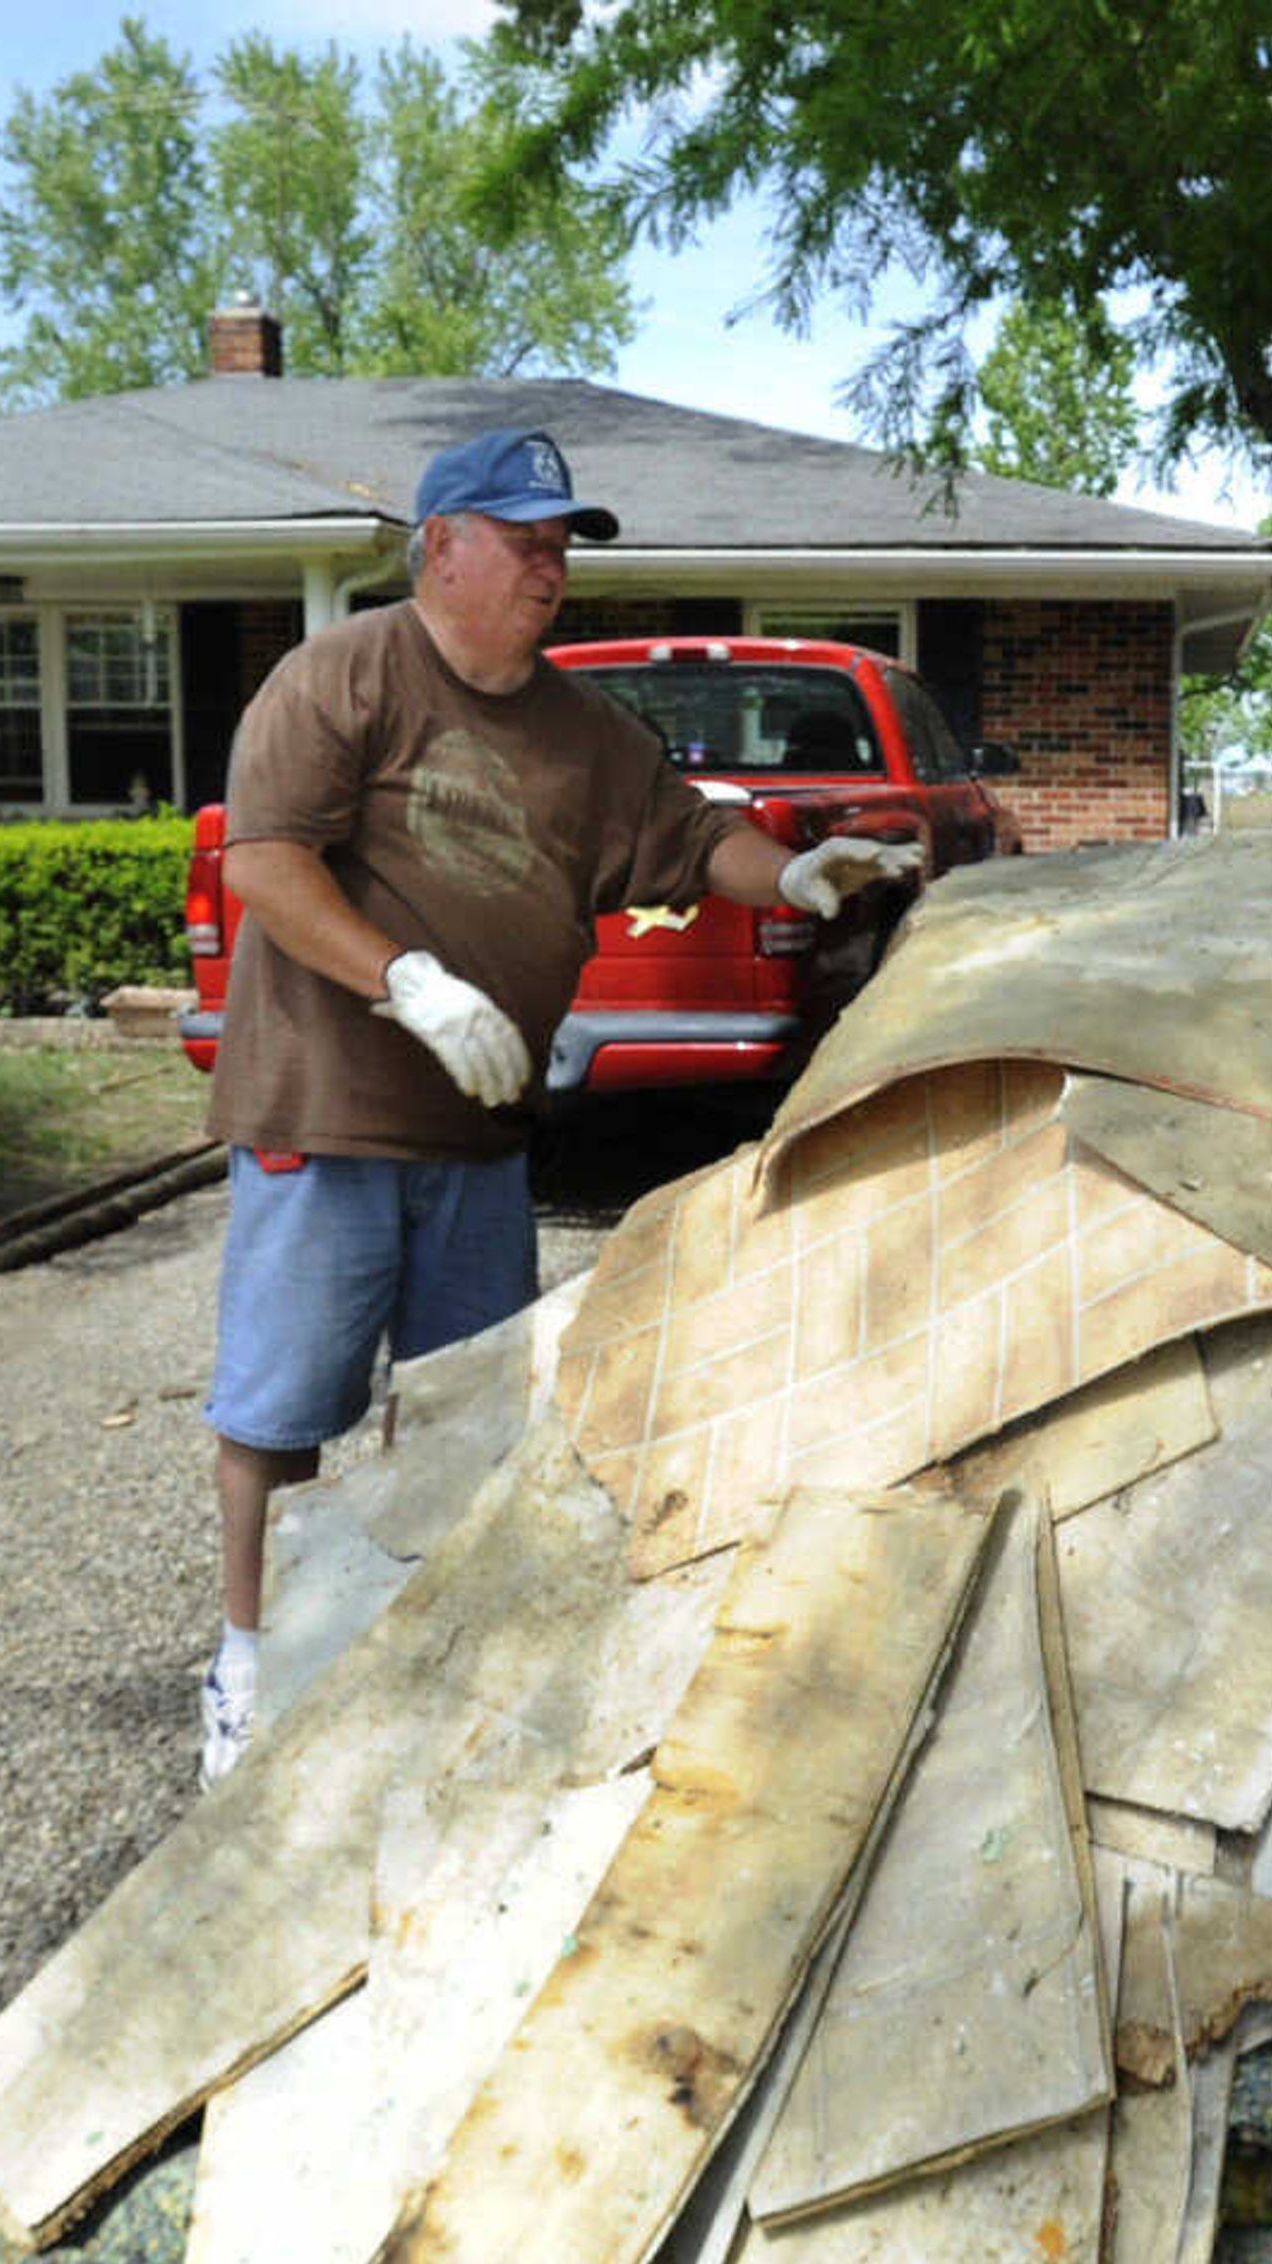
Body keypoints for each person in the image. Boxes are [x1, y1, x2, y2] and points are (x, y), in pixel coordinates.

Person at [193, 426, 913, 1783]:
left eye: (562, 543)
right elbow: (268, 867)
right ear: (442, 545)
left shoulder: (586, 734)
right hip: (326, 1106)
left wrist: (803, 875)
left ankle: (428, 1660)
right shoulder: (340, 676)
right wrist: (405, 978)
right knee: (283, 1413)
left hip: (479, 1133)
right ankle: (251, 1666)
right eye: (525, 539)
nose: (551, 566)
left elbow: (698, 839)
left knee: (470, 1426)